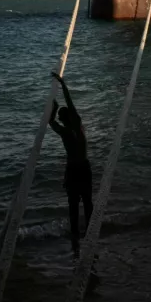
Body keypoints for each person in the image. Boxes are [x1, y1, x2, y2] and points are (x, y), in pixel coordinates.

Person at [49, 72, 93, 258]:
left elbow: (52, 120)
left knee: (79, 203)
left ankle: (79, 234)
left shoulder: (69, 129)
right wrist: (61, 89)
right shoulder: (73, 128)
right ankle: (83, 232)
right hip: (80, 168)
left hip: (77, 169)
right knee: (82, 202)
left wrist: (55, 105)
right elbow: (54, 119)